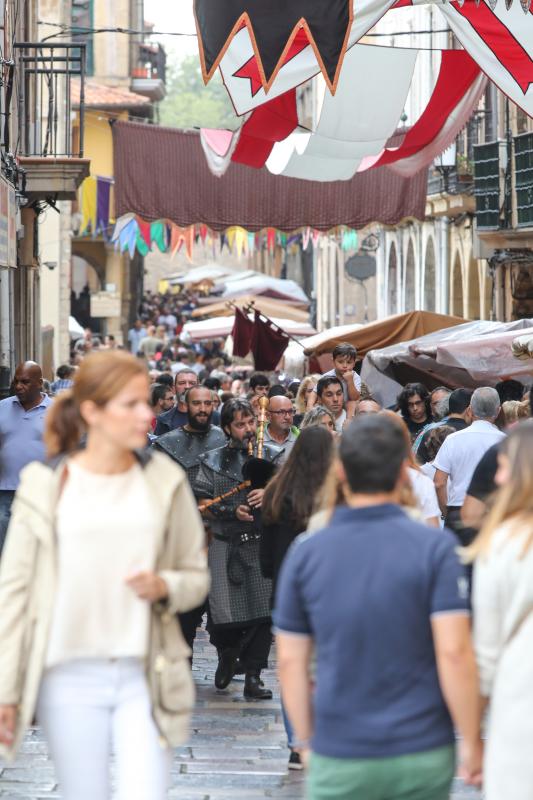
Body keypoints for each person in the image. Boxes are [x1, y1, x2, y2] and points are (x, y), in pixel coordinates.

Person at [0, 351, 209, 800]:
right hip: (67, 672)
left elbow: (195, 576)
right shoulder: (44, 483)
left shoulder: (165, 480)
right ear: (93, 411)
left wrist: (164, 585)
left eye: (145, 402)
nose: (147, 413)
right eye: (131, 404)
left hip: (146, 671)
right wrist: (7, 688)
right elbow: (13, 593)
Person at [275, 414, 482, 800]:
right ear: (404, 474)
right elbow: (455, 653)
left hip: (340, 747)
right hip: (421, 746)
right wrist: (471, 740)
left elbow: (290, 662)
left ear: (339, 471)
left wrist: (304, 741)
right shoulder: (436, 550)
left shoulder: (306, 551)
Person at [195, 399, 284, 700]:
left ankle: (254, 676)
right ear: (227, 428)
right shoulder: (210, 461)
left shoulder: (275, 456)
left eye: (250, 423)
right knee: (222, 613)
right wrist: (230, 512)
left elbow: (292, 495)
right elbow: (201, 503)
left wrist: (270, 492)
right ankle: (227, 654)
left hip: (261, 543)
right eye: (239, 424)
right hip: (225, 543)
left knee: (263, 614)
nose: (247, 429)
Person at [463, 422, 533, 800]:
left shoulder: (504, 544)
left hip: (522, 701)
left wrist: (472, 740)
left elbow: (485, 659)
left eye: (505, 467)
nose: (498, 475)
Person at [261, 427, 335, 770]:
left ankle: (296, 743)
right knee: (322, 667)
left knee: (293, 666)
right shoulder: (333, 493)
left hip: (285, 589)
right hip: (326, 589)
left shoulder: (277, 490)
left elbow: (266, 549)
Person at [153, 386, 226, 654]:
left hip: (219, 533)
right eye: (197, 403)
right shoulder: (167, 444)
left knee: (222, 607)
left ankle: (228, 656)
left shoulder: (224, 440)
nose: (203, 409)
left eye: (208, 403)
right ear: (186, 405)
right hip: (182, 537)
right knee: (185, 609)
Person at [433, 387, 505, 543]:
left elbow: (439, 482)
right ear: (498, 411)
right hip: (493, 514)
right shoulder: (506, 441)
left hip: (458, 512)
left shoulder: (453, 439)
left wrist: (447, 512)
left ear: (470, 410)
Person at [0, 362, 52, 555]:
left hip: (42, 490)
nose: (18, 386)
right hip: (6, 490)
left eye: (25, 382)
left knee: (38, 546)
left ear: (39, 383)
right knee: (5, 547)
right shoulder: (2, 408)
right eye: (16, 382)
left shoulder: (54, 411)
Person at [414, 388, 473, 463]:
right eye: (435, 403)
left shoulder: (430, 432)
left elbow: (417, 466)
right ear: (469, 409)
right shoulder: (474, 434)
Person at [307, 342, 361, 411]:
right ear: (333, 362)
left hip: (348, 411)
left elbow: (354, 398)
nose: (345, 366)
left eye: (349, 362)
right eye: (340, 362)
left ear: (354, 363)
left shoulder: (355, 377)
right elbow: (314, 392)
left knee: (352, 404)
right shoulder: (327, 376)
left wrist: (350, 381)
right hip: (329, 409)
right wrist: (310, 406)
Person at [154, 369, 198, 436]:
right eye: (182, 383)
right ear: (174, 388)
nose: (187, 387)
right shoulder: (164, 419)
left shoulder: (213, 417)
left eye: (192, 383)